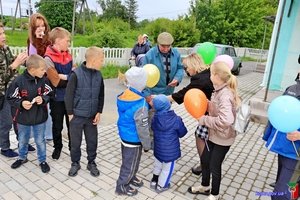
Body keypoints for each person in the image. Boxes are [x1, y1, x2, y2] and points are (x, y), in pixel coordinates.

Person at [188, 61, 240, 200]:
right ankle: (205, 187)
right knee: (205, 159)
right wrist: (206, 103)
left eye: (211, 73)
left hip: (223, 138)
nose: (209, 75)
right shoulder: (217, 90)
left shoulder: (225, 94)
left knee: (214, 166)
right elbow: (217, 109)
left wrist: (204, 120)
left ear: (216, 75)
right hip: (213, 134)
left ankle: (214, 194)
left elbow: (226, 120)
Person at [168, 53, 214, 176]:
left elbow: (183, 94)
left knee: (200, 136)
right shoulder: (208, 73)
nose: (186, 71)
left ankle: (205, 166)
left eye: (187, 67)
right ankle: (207, 164)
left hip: (211, 115)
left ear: (193, 65)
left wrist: (163, 98)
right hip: (216, 113)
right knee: (206, 138)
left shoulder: (199, 80)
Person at [6, 54, 52, 173]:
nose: (44, 71)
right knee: (22, 140)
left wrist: (43, 99)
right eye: (42, 69)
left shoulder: (44, 80)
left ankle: (42, 160)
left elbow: (51, 93)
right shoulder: (18, 81)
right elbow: (10, 97)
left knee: (40, 141)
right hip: (23, 118)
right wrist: (21, 103)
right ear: (32, 69)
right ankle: (22, 157)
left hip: (40, 117)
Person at [64, 47, 105, 177]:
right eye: (101, 60)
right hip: (76, 116)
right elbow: (68, 95)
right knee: (75, 143)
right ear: (93, 60)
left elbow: (101, 95)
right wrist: (70, 114)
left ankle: (91, 162)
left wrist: (99, 111)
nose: (102, 62)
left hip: (91, 116)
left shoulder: (99, 75)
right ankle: (75, 163)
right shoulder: (76, 74)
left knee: (92, 141)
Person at [115, 67, 152, 196]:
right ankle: (122, 186)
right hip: (134, 139)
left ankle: (132, 177)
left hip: (125, 136)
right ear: (142, 82)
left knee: (129, 160)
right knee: (130, 164)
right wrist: (147, 144)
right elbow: (142, 128)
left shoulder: (125, 94)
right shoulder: (141, 104)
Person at [263, 76, 300, 200]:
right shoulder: (292, 89)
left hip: (296, 155)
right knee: (283, 188)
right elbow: (280, 111)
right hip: (284, 148)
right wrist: (268, 135)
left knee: (282, 194)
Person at [44, 27, 73, 160]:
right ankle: (58, 147)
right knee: (57, 125)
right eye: (67, 41)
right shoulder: (48, 58)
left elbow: (75, 75)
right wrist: (69, 78)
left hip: (70, 97)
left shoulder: (68, 54)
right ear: (58, 41)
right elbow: (55, 82)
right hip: (56, 98)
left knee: (72, 124)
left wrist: (65, 77)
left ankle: (74, 148)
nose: (69, 43)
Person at [0, 22, 28, 158]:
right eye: (0, 34)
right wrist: (14, 65)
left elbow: (12, 61)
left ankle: (22, 142)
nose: (3, 36)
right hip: (2, 94)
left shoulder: (5, 48)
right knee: (6, 122)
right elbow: (1, 78)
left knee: (17, 117)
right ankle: (4, 147)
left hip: (11, 91)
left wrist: (20, 60)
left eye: (3, 32)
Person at [150, 94, 187, 193]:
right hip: (170, 152)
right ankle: (161, 186)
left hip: (158, 148)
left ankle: (154, 181)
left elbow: (153, 128)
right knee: (167, 169)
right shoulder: (176, 119)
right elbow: (182, 133)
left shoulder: (155, 118)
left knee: (157, 165)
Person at [27, 13, 53, 141]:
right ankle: (34, 134)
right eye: (38, 26)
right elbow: (33, 59)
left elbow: (46, 57)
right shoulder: (31, 41)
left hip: (47, 77)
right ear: (33, 28)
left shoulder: (48, 40)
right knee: (35, 105)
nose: (41, 28)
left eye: (43, 25)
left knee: (45, 106)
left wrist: (41, 40)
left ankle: (48, 134)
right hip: (35, 77)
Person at [143, 32, 184, 97]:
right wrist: (148, 97)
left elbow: (180, 68)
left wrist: (177, 78)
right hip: (153, 94)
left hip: (169, 92)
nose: (166, 49)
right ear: (158, 44)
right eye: (163, 46)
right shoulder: (149, 55)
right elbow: (142, 76)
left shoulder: (176, 53)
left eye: (168, 46)